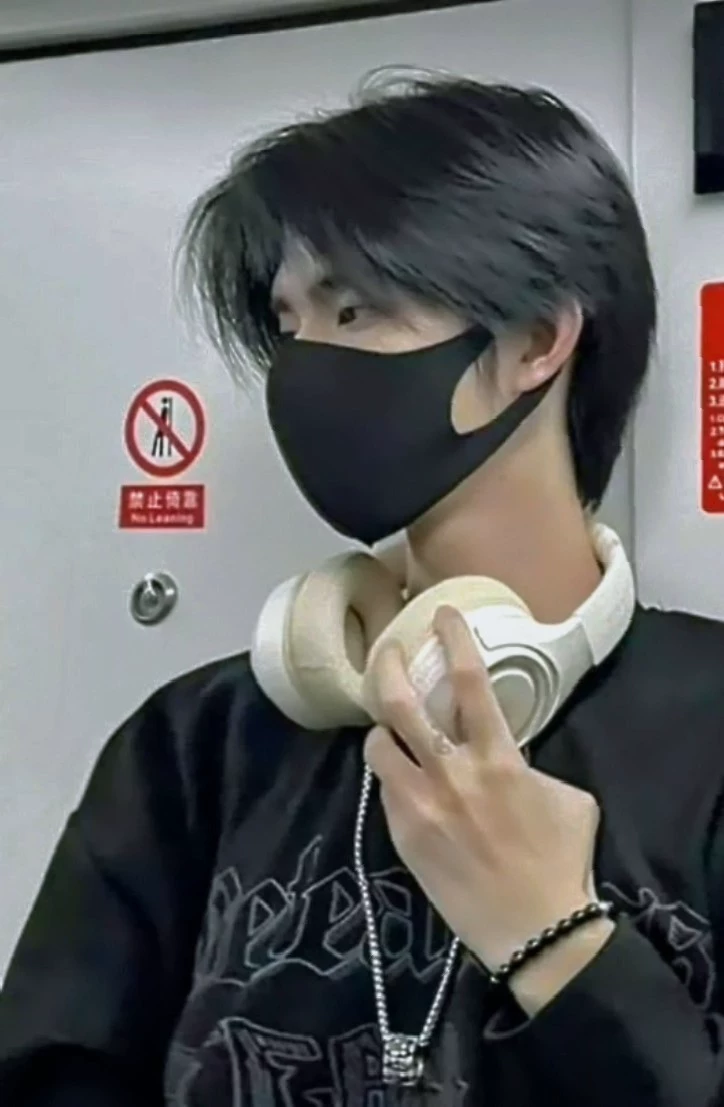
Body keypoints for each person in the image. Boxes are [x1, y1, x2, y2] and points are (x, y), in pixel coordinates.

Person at [1, 71, 724, 1107]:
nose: (303, 366)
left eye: (354, 309)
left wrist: (556, 941)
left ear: (534, 340)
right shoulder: (197, 747)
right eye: (287, 322)